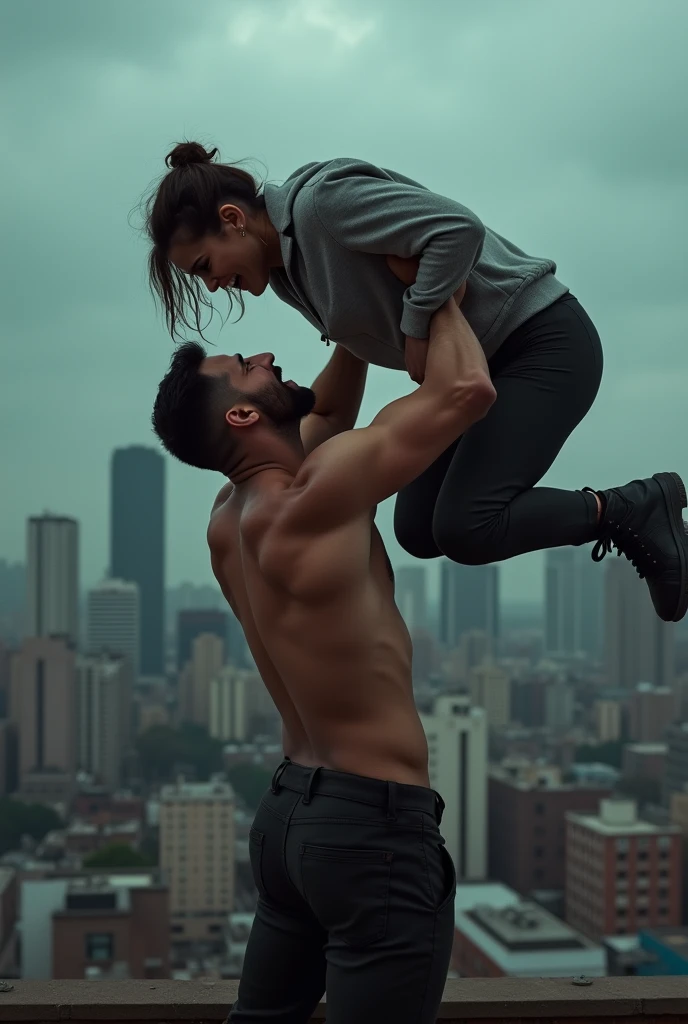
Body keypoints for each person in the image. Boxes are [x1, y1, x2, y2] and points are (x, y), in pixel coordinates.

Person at [144, 141, 688, 623]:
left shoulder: (322, 206)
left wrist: (418, 323)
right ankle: (630, 508)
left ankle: (631, 506)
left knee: (467, 526)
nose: (213, 286)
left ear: (234, 218)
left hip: (539, 340)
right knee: (418, 530)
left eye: (203, 266)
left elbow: (457, 230)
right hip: (482, 362)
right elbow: (353, 350)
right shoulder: (287, 274)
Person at [151, 290, 494, 1023]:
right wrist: (435, 292)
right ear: (243, 416)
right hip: (370, 833)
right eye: (248, 366)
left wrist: (348, 310)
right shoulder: (314, 499)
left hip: (289, 826)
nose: (268, 356)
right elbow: (466, 390)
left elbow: (330, 419)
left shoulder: (231, 518)